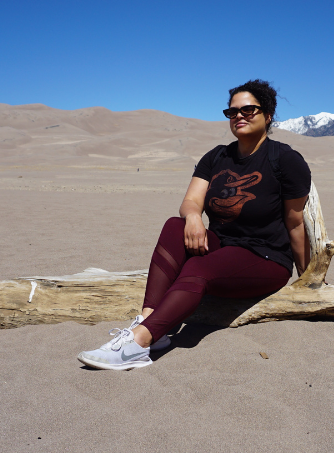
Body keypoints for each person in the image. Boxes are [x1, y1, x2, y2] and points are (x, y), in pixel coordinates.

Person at [78, 79, 312, 370]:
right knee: (175, 226)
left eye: (248, 110)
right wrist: (193, 217)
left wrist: (308, 278)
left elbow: (294, 223)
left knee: (197, 268)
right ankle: (149, 325)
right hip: (222, 249)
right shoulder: (217, 157)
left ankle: (137, 344)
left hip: (265, 258)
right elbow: (191, 202)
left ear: (268, 115)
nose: (239, 116)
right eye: (232, 112)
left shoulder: (285, 160)